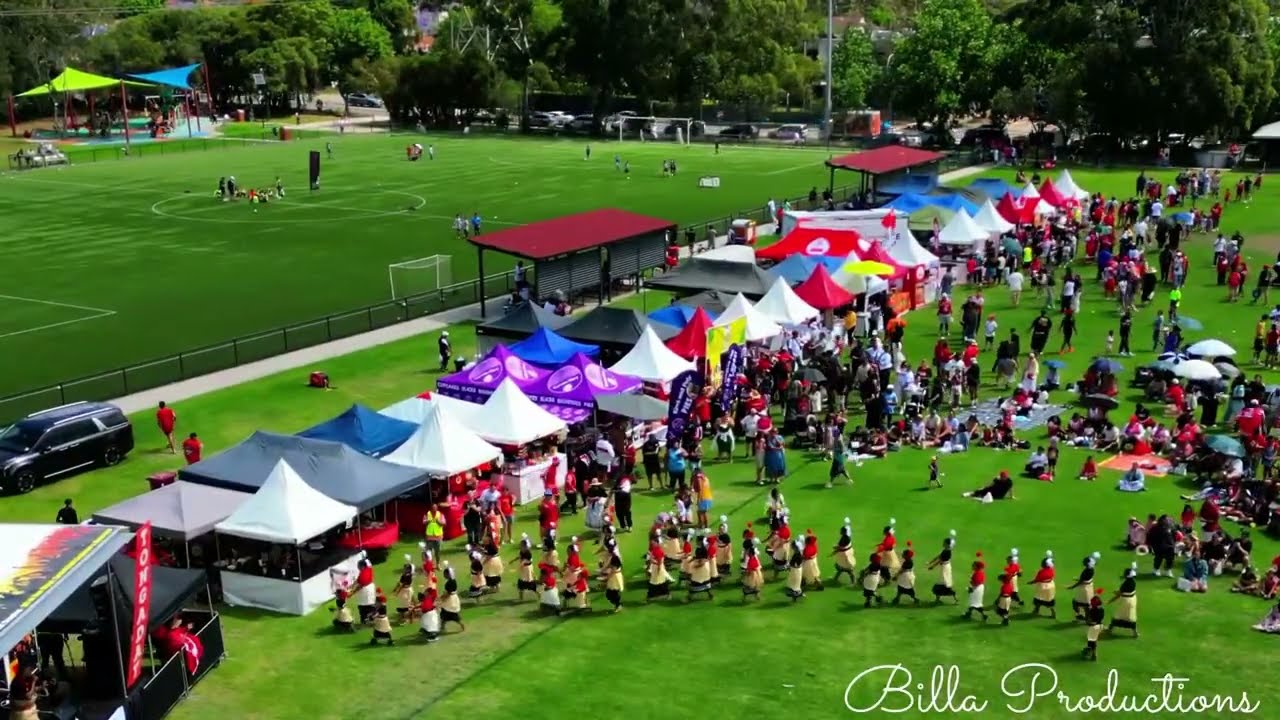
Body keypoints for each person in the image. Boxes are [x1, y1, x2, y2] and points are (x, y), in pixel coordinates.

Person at [1108, 563, 1140, 637]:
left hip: (1126, 601)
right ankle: (1135, 633)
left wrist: (1111, 600)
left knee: (1119, 615)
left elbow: (1119, 594)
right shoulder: (1133, 582)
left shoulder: (1125, 584)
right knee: (1131, 616)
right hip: (1132, 600)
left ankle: (1110, 629)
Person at [1068, 552, 1101, 619]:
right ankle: (1087, 617)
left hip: (1084, 589)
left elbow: (1081, 581)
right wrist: (1078, 579)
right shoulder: (1091, 569)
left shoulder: (1086, 571)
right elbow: (1085, 579)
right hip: (1089, 587)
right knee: (1086, 605)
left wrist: (1072, 587)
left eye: (1084, 562)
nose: (1083, 562)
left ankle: (1083, 616)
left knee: (1078, 603)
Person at [928, 530, 958, 603]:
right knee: (943, 582)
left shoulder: (947, 552)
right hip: (945, 567)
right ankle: (940, 598)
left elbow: (940, 560)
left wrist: (932, 566)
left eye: (944, 543)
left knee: (943, 582)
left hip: (945, 568)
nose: (943, 544)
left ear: (947, 544)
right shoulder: (946, 550)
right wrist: (930, 562)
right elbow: (939, 556)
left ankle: (951, 597)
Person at [963, 553, 988, 621]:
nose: (972, 566)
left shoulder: (978, 573)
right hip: (978, 588)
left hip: (977, 589)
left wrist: (970, 587)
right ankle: (969, 613)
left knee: (974, 603)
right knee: (974, 603)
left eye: (973, 565)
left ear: (976, 567)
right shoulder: (979, 572)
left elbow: (976, 582)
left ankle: (981, 615)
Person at [1030, 550, 1056, 618]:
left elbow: (1037, 580)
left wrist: (1030, 582)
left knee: (1038, 598)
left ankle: (1036, 610)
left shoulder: (1041, 571)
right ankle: (1052, 613)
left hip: (1043, 587)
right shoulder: (1051, 570)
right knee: (1049, 600)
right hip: (1050, 585)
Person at [1082, 590, 1105, 661]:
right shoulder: (1102, 609)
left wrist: (1086, 612)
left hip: (1093, 627)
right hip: (1100, 626)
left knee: (1091, 641)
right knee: (1094, 640)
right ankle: (1092, 653)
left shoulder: (1092, 611)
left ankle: (1094, 654)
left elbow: (1088, 621)